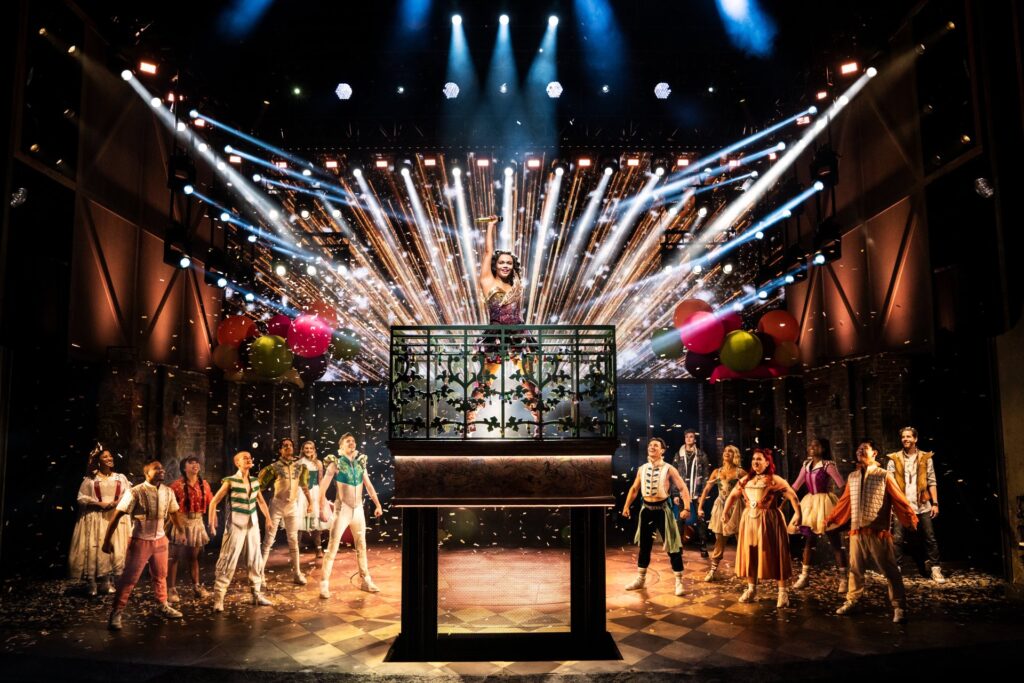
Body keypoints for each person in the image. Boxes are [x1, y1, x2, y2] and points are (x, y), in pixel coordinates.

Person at [827, 440, 918, 623]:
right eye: (858, 449)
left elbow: (899, 499)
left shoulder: (884, 475)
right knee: (855, 569)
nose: (860, 451)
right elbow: (845, 502)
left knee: (889, 570)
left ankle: (899, 606)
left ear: (874, 453)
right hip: (857, 531)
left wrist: (909, 518)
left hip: (877, 531)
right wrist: (832, 519)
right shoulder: (853, 476)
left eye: (865, 448)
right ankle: (852, 601)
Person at [466, 215, 540, 433]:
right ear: (495, 265)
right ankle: (469, 420)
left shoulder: (516, 284)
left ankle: (538, 423)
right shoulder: (488, 282)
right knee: (485, 381)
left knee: (528, 382)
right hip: (495, 337)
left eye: (509, 262)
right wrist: (490, 226)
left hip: (518, 336)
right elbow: (488, 252)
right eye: (501, 262)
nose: (506, 265)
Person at [103, 460, 185, 630]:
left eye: (162, 468)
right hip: (140, 540)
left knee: (161, 575)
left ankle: (163, 605)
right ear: (147, 473)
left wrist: (181, 531)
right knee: (129, 578)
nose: (161, 471)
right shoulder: (135, 492)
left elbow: (174, 512)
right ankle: (117, 612)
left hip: (160, 540)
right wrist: (106, 540)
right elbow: (116, 516)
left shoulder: (168, 491)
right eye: (157, 469)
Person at [722, 448, 801, 608]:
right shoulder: (746, 480)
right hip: (749, 520)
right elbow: (733, 495)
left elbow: (792, 496)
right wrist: (725, 512)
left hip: (769, 520)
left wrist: (798, 514)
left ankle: (782, 593)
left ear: (767, 463)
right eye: (753, 459)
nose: (755, 462)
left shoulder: (774, 480)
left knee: (776, 554)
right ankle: (751, 589)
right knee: (750, 552)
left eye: (759, 459)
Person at [621, 437, 691, 597]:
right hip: (646, 511)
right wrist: (626, 506)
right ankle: (641, 579)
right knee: (644, 546)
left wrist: (687, 507)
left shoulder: (669, 469)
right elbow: (634, 489)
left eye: (656, 445)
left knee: (673, 546)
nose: (652, 447)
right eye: (650, 445)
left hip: (663, 511)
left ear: (662, 450)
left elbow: (682, 488)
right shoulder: (642, 468)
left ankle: (679, 581)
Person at [319, 433, 383, 598]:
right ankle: (324, 584)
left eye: (353, 441)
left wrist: (377, 504)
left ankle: (366, 580)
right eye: (348, 441)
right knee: (333, 547)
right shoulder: (335, 463)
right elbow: (323, 486)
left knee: (361, 546)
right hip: (342, 510)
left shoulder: (361, 462)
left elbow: (368, 485)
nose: (352, 443)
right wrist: (321, 506)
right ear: (341, 446)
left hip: (358, 510)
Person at [208, 451, 274, 612]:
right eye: (245, 458)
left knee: (255, 558)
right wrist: (211, 522)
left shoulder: (254, 481)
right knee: (228, 559)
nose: (249, 459)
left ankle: (256, 594)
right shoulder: (230, 481)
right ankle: (219, 598)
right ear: (237, 463)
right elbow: (214, 501)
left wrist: (268, 519)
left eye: (250, 457)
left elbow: (261, 501)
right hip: (235, 525)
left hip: (252, 525)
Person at [69, 445, 132, 596]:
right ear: (98, 461)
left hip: (115, 516)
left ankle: (106, 581)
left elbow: (128, 493)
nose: (109, 458)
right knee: (95, 546)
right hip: (96, 517)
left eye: (110, 456)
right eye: (105, 457)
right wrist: (99, 504)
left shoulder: (120, 477)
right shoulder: (91, 479)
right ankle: (91, 582)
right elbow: (81, 498)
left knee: (113, 547)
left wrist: (117, 503)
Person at [886, 427, 946, 583]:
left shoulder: (925, 458)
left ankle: (935, 569)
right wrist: (891, 505)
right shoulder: (894, 459)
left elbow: (932, 481)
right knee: (898, 539)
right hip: (902, 505)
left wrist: (935, 503)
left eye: (908, 436)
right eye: (903, 437)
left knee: (929, 537)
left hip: (922, 504)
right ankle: (896, 570)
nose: (905, 439)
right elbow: (889, 485)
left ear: (915, 439)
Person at [790, 438, 848, 592]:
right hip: (810, 504)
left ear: (823, 449)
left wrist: (843, 506)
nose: (812, 447)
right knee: (809, 541)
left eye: (816, 445)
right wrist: (782, 499)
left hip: (825, 504)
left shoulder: (828, 465)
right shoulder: (806, 465)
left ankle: (844, 579)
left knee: (835, 542)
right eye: (811, 445)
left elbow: (842, 484)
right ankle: (804, 577)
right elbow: (795, 486)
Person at [258, 437, 312, 585]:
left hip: (292, 506)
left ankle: (297, 573)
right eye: (285, 446)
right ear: (280, 450)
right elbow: (259, 488)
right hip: (277, 506)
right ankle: (260, 574)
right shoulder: (274, 467)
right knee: (268, 540)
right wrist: (261, 505)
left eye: (290, 445)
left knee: (293, 540)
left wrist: (310, 502)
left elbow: (304, 486)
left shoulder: (299, 467)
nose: (288, 448)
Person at [167, 456, 214, 602]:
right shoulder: (176, 485)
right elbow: (169, 506)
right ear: (184, 468)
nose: (195, 465)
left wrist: (213, 520)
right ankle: (171, 589)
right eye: (191, 463)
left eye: (196, 462)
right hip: (181, 520)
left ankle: (196, 586)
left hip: (197, 521)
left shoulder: (204, 484)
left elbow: (211, 502)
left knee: (193, 557)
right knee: (174, 557)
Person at [696, 444, 743, 582]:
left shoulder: (740, 472)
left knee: (741, 539)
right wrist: (700, 507)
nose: (727, 453)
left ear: (735, 455)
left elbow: (749, 488)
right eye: (725, 451)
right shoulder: (717, 471)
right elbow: (706, 489)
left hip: (736, 507)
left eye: (730, 451)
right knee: (719, 539)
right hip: (721, 505)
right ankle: (713, 570)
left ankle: (744, 570)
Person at [675, 429, 712, 557]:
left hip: (697, 491)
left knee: (700, 518)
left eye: (691, 437)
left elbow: (706, 475)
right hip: (682, 491)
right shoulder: (679, 455)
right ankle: (679, 546)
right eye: (687, 437)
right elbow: (674, 475)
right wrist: (675, 494)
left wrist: (703, 494)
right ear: (684, 439)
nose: (689, 439)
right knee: (680, 519)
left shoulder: (701, 455)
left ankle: (703, 546)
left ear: (695, 439)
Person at [295, 440, 327, 558]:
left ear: (314, 450)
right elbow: (296, 481)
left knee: (316, 523)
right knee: (299, 522)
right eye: (306, 448)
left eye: (311, 448)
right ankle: (295, 549)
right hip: (301, 493)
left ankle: (318, 549)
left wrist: (322, 495)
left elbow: (321, 480)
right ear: (303, 450)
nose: (308, 450)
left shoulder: (318, 463)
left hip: (315, 492)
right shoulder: (298, 463)